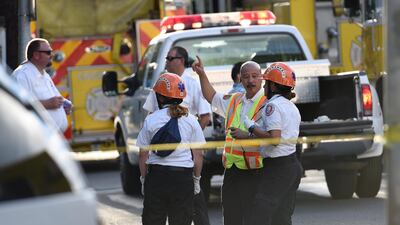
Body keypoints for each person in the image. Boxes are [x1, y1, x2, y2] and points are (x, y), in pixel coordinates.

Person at [192, 56, 266, 225]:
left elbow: (273, 136)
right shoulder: (235, 100)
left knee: (253, 218)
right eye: (246, 76)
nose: (250, 80)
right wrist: (202, 74)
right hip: (232, 169)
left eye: (255, 76)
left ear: (261, 78)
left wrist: (246, 135)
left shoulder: (267, 103)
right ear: (240, 78)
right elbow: (211, 96)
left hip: (255, 171)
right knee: (232, 217)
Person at [142, 46, 211, 225]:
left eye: (169, 58)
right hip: (183, 176)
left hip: (157, 176)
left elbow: (143, 152)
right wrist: (196, 179)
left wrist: (144, 179)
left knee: (154, 219)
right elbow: (199, 154)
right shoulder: (190, 121)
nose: (166, 62)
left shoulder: (152, 120)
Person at [236, 62, 303, 225]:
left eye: (266, 83)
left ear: (273, 86)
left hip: (277, 168)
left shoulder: (271, 106)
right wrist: (249, 134)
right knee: (281, 217)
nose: (264, 86)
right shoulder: (291, 107)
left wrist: (251, 127)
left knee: (258, 215)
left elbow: (274, 139)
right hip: (291, 165)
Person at [12, 38, 71, 132]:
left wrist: (63, 104)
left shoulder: (43, 73)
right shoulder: (22, 75)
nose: (51, 55)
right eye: (48, 52)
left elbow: (52, 98)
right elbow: (17, 106)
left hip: (51, 137)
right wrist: (47, 104)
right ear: (36, 55)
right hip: (35, 138)